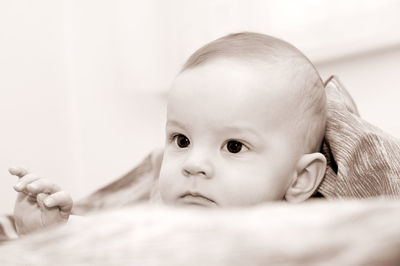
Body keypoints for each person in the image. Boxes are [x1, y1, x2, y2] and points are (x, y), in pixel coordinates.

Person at [9, 32, 327, 235]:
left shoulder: (292, 242)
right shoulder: (163, 218)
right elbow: (118, 244)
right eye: (182, 141)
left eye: (233, 146)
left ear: (299, 179)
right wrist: (52, 230)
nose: (193, 163)